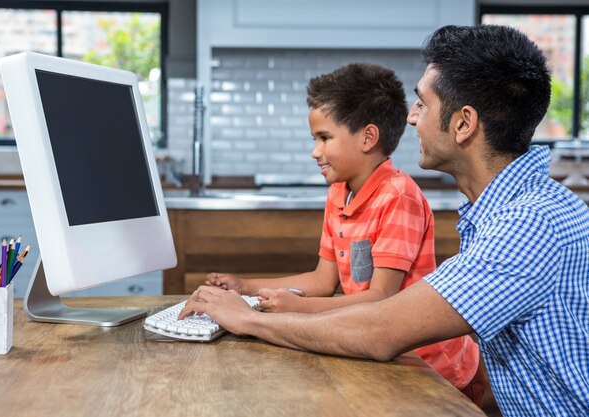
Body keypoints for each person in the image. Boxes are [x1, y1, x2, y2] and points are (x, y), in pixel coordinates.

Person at [180, 25, 589, 417]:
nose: (412, 118)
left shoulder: (527, 225)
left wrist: (248, 318)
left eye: (423, 104)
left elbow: (381, 331)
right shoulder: (516, 209)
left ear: (464, 124)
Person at [202, 62, 483, 402]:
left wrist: (297, 308)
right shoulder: (339, 192)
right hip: (381, 355)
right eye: (314, 139)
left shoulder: (398, 196)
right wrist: (245, 286)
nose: (315, 151)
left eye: (325, 138)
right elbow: (323, 280)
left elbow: (382, 299)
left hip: (435, 369)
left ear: (367, 138)